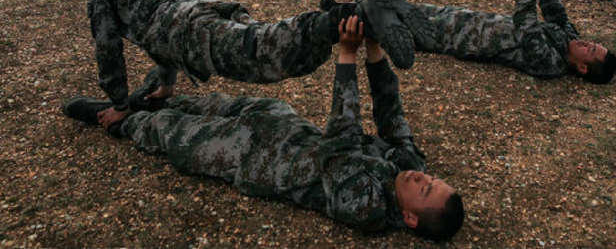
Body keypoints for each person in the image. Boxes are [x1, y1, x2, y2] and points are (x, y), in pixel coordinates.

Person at [62, 17, 465, 240]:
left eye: (425, 189)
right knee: (208, 104)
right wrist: (374, 49)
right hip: (282, 125)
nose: (421, 175)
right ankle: (147, 100)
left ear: (411, 218)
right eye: (433, 179)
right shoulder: (405, 163)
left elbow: (340, 145)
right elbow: (390, 113)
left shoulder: (366, 206)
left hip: (252, 158)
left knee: (170, 133)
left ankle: (116, 120)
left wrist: (346, 56)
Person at [73, 0, 423, 130]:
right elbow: (156, 24)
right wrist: (165, 85)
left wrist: (119, 104)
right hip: (204, 11)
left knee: (267, 53)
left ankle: (352, 15)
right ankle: (353, 16)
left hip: (190, 33)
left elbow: (108, 47)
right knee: (265, 38)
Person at [322, 0, 616, 83]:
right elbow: (554, 7)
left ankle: (334, 20)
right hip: (465, 19)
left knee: (388, 27)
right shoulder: (568, 38)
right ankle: (345, 8)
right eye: (594, 44)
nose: (587, 42)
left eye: (591, 50)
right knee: (405, 10)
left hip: (458, 39)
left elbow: (527, 24)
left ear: (581, 68)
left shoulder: (550, 63)